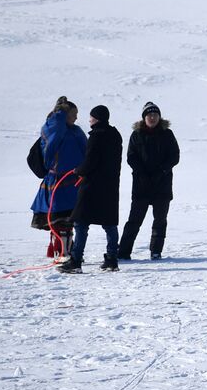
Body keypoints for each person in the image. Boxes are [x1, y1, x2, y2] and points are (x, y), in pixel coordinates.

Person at [61, 104, 123, 273]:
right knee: (109, 224)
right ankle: (112, 260)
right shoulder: (115, 135)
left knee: (81, 223)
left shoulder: (96, 136)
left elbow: (90, 162)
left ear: (97, 118)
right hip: (110, 186)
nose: (88, 120)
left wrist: (78, 170)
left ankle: (75, 261)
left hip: (92, 186)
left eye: (91, 117)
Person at [118, 101, 181, 260]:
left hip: (163, 184)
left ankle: (156, 251)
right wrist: (142, 173)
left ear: (159, 117)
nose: (152, 117)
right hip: (141, 184)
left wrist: (162, 171)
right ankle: (124, 252)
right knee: (134, 220)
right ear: (144, 118)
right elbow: (131, 157)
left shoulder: (167, 134)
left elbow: (174, 156)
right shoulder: (137, 134)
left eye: (155, 115)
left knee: (160, 220)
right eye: (149, 115)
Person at [31, 96, 88, 261]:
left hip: (74, 182)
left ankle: (68, 250)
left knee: (71, 219)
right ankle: (62, 252)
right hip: (58, 183)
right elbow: (54, 137)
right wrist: (59, 113)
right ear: (64, 115)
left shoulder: (75, 130)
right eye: (73, 113)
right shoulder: (53, 128)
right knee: (60, 219)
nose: (76, 117)